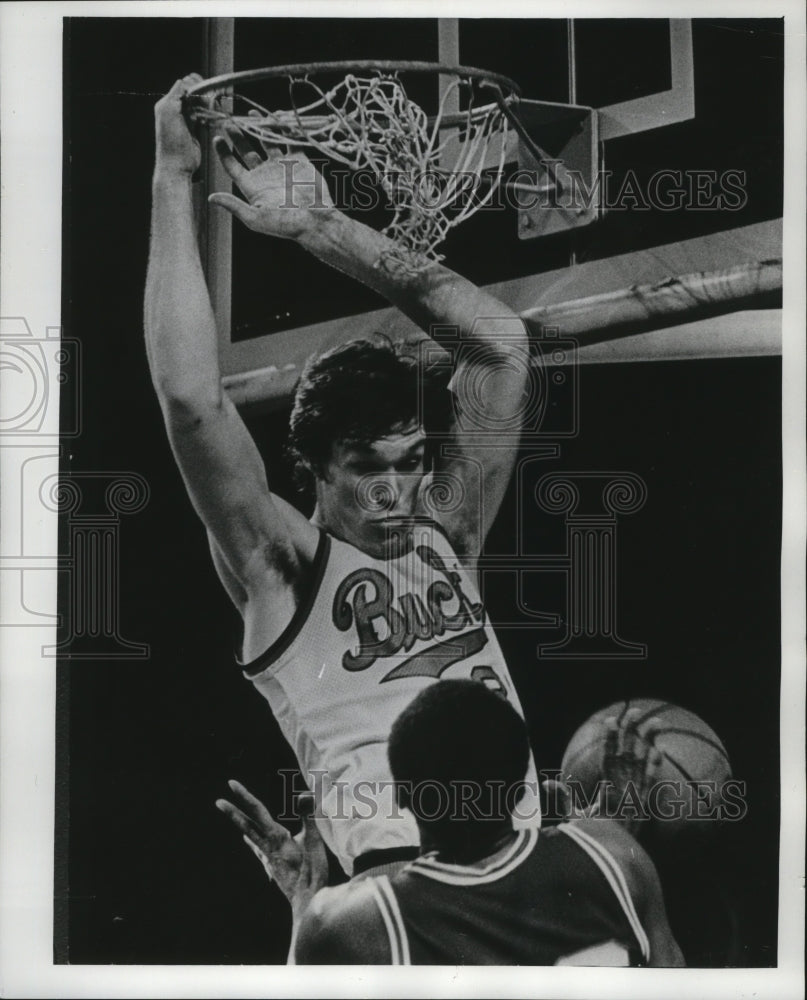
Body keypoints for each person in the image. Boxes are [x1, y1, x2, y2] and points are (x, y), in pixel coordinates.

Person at [145, 75, 540, 880]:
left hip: (529, 866)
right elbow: (190, 398)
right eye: (366, 468)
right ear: (314, 469)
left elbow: (499, 346)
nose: (394, 490)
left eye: (411, 461)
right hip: (404, 883)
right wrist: (172, 178)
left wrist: (325, 227)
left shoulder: (446, 535)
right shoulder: (281, 567)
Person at [218, 680, 685, 966]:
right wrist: (615, 847)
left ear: (401, 797)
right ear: (524, 787)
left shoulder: (354, 922)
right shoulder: (614, 853)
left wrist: (305, 903)